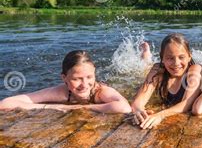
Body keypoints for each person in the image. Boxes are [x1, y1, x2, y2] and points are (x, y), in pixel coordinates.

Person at [0, 50, 131, 113]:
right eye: (76, 79)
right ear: (64, 78)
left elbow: (125, 107)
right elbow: (5, 104)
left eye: (89, 77)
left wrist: (84, 107)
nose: (85, 85)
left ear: (94, 73)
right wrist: (54, 106)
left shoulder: (100, 92)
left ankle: (145, 58)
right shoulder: (61, 92)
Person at [131, 33, 202, 129]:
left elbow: (187, 103)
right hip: (159, 69)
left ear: (189, 56)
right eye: (170, 58)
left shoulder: (195, 70)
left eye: (181, 57)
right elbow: (138, 102)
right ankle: (146, 53)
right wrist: (139, 111)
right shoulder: (158, 70)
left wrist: (160, 115)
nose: (176, 63)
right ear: (162, 58)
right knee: (143, 70)